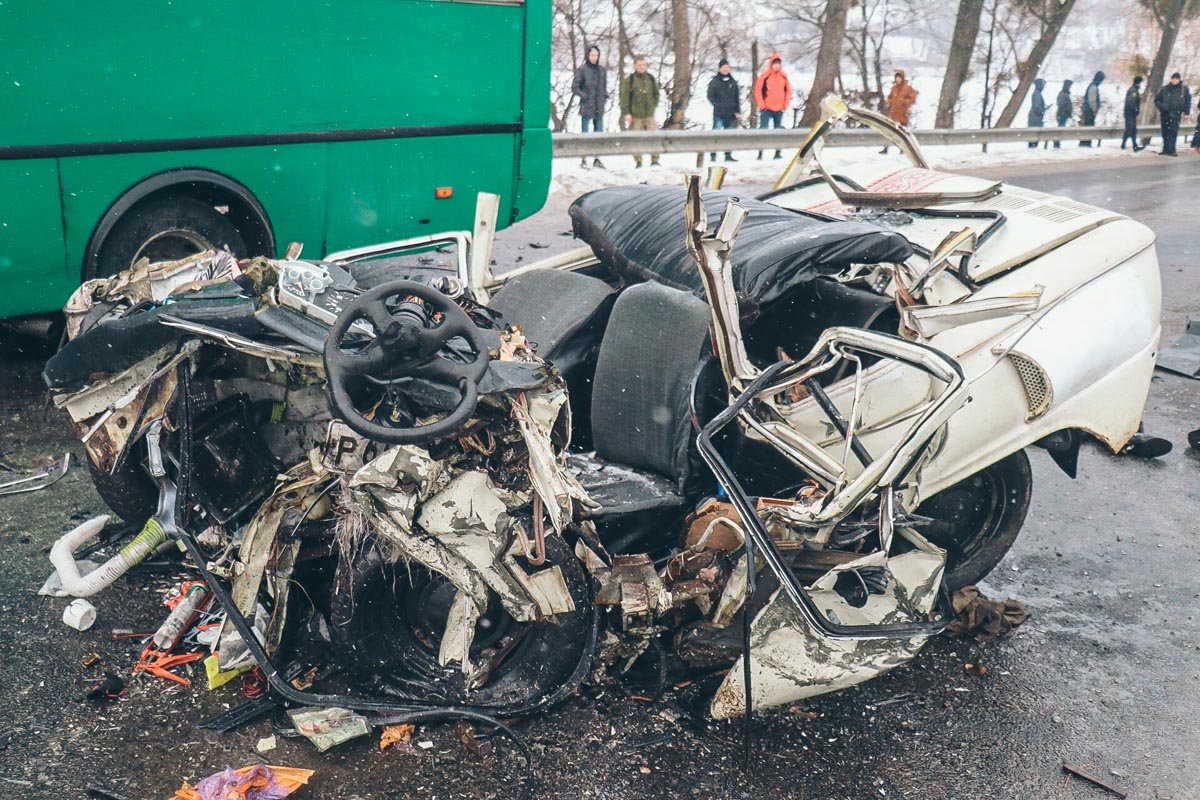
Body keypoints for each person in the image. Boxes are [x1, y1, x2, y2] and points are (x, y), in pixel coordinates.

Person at [620, 57, 661, 168]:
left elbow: (656, 94)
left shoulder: (650, 78)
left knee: (654, 138)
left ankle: (655, 160)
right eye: (639, 65)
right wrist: (627, 113)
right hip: (635, 116)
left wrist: (653, 106)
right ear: (635, 66)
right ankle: (638, 161)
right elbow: (624, 98)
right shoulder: (630, 80)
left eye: (644, 65)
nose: (642, 67)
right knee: (636, 139)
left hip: (649, 115)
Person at [571, 45, 607, 169]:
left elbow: (603, 87)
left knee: (598, 133)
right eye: (592, 55)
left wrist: (604, 96)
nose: (594, 58)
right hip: (587, 105)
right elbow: (575, 87)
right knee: (585, 133)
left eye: (596, 55)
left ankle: (597, 158)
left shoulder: (602, 70)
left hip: (599, 105)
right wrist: (583, 95)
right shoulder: (582, 70)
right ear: (588, 56)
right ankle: (584, 158)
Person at [753, 54, 791, 159]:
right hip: (766, 108)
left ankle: (778, 153)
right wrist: (761, 105)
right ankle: (760, 153)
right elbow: (758, 91)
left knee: (778, 131)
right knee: (763, 130)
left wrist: (785, 104)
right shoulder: (765, 76)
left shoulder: (783, 76)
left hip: (779, 108)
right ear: (771, 64)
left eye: (778, 64)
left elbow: (788, 91)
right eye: (775, 64)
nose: (777, 66)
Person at [707, 58, 741, 162]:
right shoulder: (715, 81)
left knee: (729, 135)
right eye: (723, 68)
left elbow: (736, 97)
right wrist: (717, 104)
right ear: (720, 68)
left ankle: (728, 155)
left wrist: (737, 111)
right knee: (716, 134)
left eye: (727, 68)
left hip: (730, 114)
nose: (725, 70)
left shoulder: (732, 82)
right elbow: (710, 96)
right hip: (719, 113)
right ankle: (713, 155)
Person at [881, 69, 918, 154]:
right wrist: (890, 101)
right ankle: (886, 148)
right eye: (896, 78)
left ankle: (903, 149)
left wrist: (905, 102)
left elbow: (913, 98)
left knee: (903, 133)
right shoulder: (894, 88)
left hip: (903, 114)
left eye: (899, 78)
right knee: (889, 131)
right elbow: (890, 97)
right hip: (893, 113)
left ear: (902, 78)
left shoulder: (907, 88)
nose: (898, 79)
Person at [1154, 72, 1191, 156]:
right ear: (1171, 79)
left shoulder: (1184, 89)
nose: (1174, 80)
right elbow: (1156, 100)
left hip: (1176, 114)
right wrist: (1161, 107)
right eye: (1173, 78)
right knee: (1165, 132)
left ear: (1179, 80)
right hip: (1165, 114)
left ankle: (1172, 150)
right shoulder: (1164, 89)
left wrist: (1186, 113)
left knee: (1173, 132)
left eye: (1176, 79)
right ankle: (1165, 149)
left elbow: (1188, 101)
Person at [1080, 70, 1104, 146]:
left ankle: (1084, 143)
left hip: (1087, 111)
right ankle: (1086, 144)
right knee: (1089, 128)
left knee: (1087, 128)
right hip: (1089, 112)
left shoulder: (1091, 85)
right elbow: (1092, 101)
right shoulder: (1094, 87)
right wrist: (1095, 110)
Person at [1122, 76, 1144, 152]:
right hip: (1130, 113)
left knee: (1133, 130)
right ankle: (1123, 145)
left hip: (1130, 113)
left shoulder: (1133, 89)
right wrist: (1135, 110)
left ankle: (1135, 146)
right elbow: (1131, 102)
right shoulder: (1133, 91)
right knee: (1129, 129)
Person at [1027, 78, 1047, 148]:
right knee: (1034, 139)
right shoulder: (1037, 94)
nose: (1044, 87)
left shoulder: (1037, 93)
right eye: (1043, 85)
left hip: (1034, 118)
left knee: (1033, 138)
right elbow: (1037, 108)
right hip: (1035, 119)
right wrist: (1043, 109)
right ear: (1039, 85)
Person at [1054, 79, 1073, 149]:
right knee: (1060, 129)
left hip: (1063, 115)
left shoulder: (1064, 94)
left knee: (1060, 129)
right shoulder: (1063, 94)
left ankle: (1057, 143)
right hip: (1062, 115)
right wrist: (1067, 112)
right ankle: (1056, 144)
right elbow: (1062, 105)